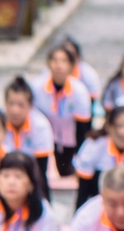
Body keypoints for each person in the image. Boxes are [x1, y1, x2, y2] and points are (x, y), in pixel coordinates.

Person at [36, 46, 97, 183]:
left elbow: (83, 127)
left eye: (64, 61)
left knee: (65, 171)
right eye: (55, 61)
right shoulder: (37, 87)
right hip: (47, 135)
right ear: (48, 64)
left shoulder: (79, 91)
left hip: (70, 137)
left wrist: (81, 155)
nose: (59, 65)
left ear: (71, 66)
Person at [75, 106, 124, 212]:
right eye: (118, 126)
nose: (123, 132)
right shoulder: (93, 146)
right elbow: (83, 190)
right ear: (108, 126)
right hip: (102, 203)